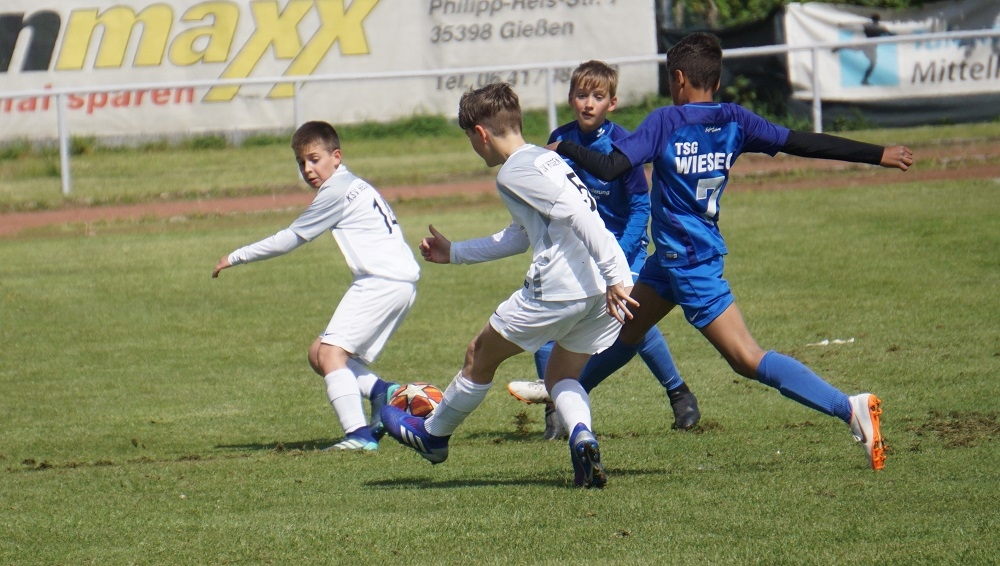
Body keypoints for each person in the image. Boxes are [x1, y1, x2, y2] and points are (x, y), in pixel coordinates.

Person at [548, 32, 914, 471]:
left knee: (746, 358)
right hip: (672, 260)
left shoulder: (666, 121)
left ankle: (848, 407)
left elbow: (610, 166)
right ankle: (564, 394)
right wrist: (878, 153)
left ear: (678, 79)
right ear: (716, 82)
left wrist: (563, 147)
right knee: (627, 332)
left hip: (690, 263)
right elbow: (801, 141)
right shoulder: (735, 120)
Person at [379, 82, 636, 488]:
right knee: (560, 376)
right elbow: (520, 235)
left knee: (479, 353)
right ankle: (582, 435)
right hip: (597, 292)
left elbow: (578, 215)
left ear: (481, 133)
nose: (473, 147)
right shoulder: (544, 158)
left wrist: (616, 275)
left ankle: (433, 436)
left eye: (469, 138)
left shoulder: (515, 170)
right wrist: (456, 251)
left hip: (564, 287)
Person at [505, 60, 700, 441]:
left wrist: (619, 257)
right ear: (570, 99)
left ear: (612, 103)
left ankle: (679, 393)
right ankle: (554, 413)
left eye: (598, 96)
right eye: (582, 95)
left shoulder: (623, 144)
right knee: (548, 324)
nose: (588, 103)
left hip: (622, 249)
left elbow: (640, 207)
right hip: (576, 252)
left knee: (629, 316)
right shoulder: (559, 139)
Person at [212, 120, 417, 451]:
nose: (308, 169)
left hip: (381, 282)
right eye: (301, 162)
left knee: (331, 354)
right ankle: (382, 392)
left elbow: (289, 239)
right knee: (317, 353)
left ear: (336, 157)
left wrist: (236, 256)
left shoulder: (336, 190)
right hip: (396, 281)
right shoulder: (354, 183)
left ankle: (359, 436)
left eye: (314, 159)